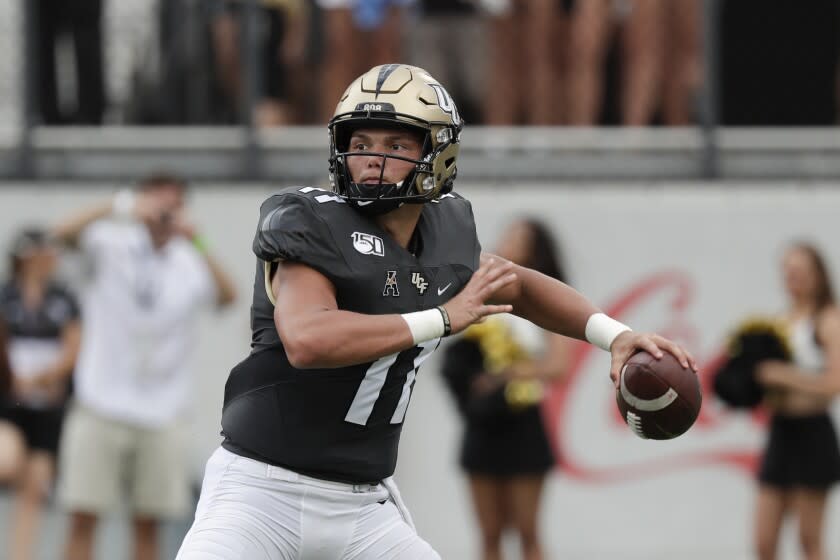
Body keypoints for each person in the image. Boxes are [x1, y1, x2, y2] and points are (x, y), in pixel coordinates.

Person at [175, 64, 696, 560]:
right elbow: (308, 340)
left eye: (396, 144)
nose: (373, 159)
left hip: (361, 507)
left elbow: (519, 285)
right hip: (262, 492)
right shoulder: (309, 221)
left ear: (438, 152)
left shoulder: (445, 232)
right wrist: (443, 317)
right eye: (360, 144)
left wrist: (615, 335)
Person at [51, 173, 237, 560]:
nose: (163, 213)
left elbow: (227, 295)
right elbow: (61, 233)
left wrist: (197, 240)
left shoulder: (190, 258)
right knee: (83, 517)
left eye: (172, 205)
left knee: (148, 524)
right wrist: (121, 206)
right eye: (157, 203)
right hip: (99, 404)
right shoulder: (109, 241)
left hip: (162, 414)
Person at [441, 218, 570, 560]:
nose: (507, 240)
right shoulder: (479, 286)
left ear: (535, 248)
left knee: (527, 532)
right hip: (482, 422)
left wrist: (508, 373)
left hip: (523, 423)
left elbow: (559, 366)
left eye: (519, 236)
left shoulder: (546, 296)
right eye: (507, 233)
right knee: (489, 534)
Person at [753, 242, 840, 560]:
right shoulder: (781, 322)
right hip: (782, 431)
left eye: (800, 271)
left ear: (818, 275)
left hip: (813, 433)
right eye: (788, 272)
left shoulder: (828, 320)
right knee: (764, 542)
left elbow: (835, 383)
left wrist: (784, 376)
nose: (793, 278)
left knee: (809, 541)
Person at [0, 228, 81, 560]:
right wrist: (14, 377)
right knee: (7, 461)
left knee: (34, 491)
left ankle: (21, 554)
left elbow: (74, 346)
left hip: (48, 405)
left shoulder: (63, 298)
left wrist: (47, 376)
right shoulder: (7, 296)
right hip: (10, 402)